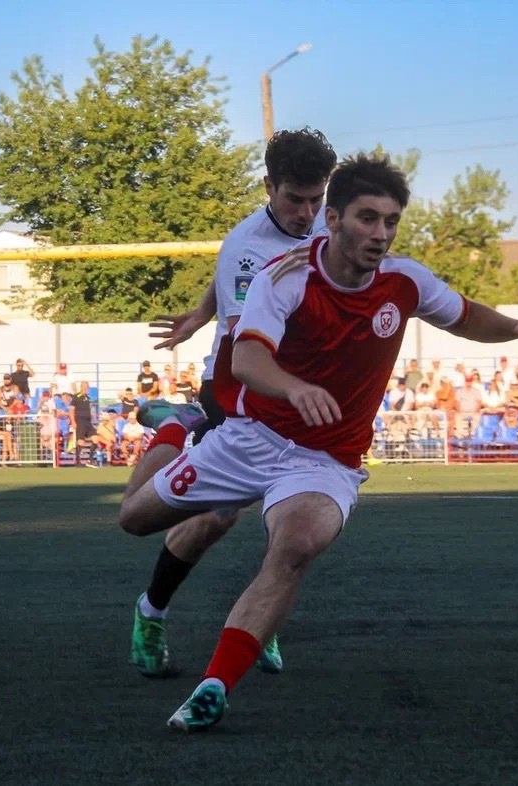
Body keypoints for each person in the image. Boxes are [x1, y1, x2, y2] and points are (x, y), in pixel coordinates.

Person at [116, 154, 518, 732]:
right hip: (249, 439)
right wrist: (294, 387)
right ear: (332, 220)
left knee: (296, 545)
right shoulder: (283, 276)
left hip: (323, 461)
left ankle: (215, 686)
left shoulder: (405, 281)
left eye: (391, 221)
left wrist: (517, 328)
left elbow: (462, 316)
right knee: (134, 520)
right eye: (367, 218)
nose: (380, 233)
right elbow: (248, 359)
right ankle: (176, 428)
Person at [125, 127, 337, 679]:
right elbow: (251, 345)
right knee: (216, 518)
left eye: (316, 199)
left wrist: (200, 312)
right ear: (269, 186)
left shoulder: (331, 222)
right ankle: (151, 611)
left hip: (298, 393)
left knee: (293, 519)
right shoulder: (247, 245)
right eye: (294, 199)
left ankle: (256, 619)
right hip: (239, 388)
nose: (306, 213)